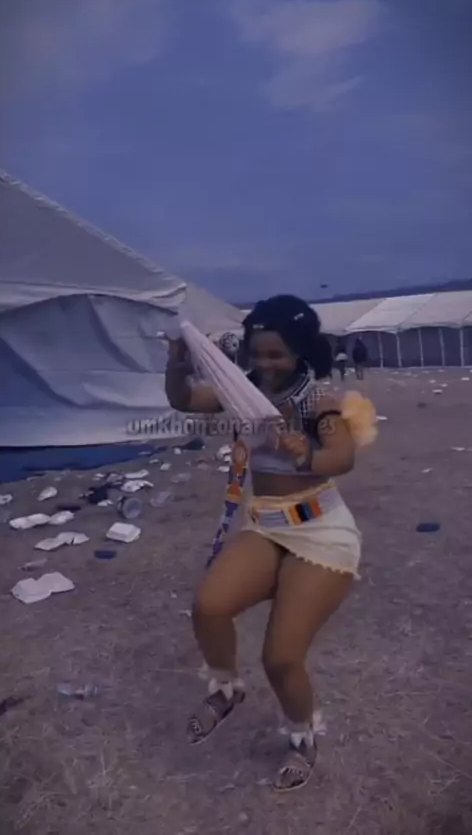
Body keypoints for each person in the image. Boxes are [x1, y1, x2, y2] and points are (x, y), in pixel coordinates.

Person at [165, 295, 364, 792]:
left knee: (280, 656)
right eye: (257, 353)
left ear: (300, 351)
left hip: (321, 532)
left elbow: (342, 457)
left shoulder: (317, 401)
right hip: (267, 525)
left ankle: (302, 737)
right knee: (209, 606)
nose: (266, 363)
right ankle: (226, 690)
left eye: (277, 354)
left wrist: (306, 455)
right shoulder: (241, 390)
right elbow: (183, 400)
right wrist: (177, 362)